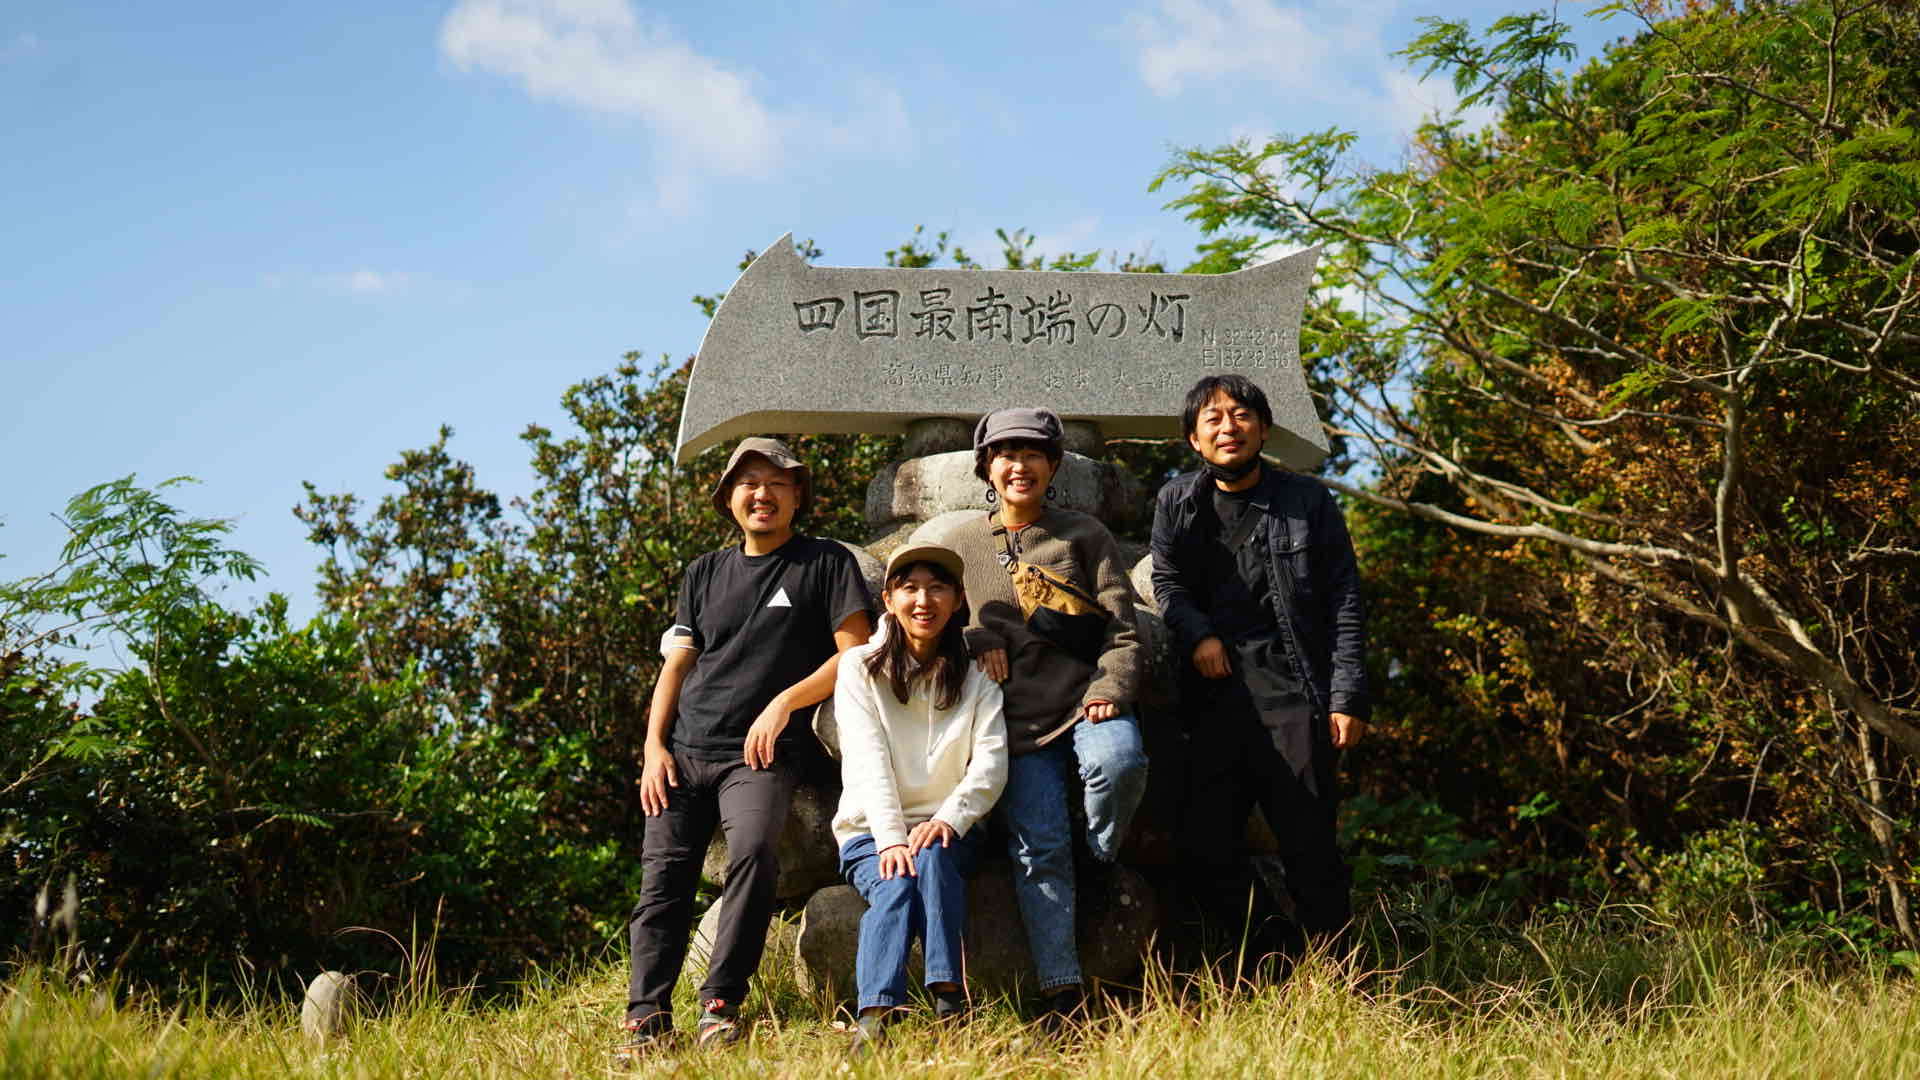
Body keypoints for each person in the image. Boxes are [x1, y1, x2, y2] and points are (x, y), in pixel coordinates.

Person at [618, 437, 873, 1058]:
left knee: (755, 855)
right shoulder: (703, 572)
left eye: (776, 483)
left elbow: (857, 654)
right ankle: (647, 1016)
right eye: (748, 484)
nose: (762, 495)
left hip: (760, 755)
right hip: (684, 750)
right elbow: (676, 667)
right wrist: (653, 746)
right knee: (662, 883)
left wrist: (784, 702)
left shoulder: (825, 563)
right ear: (729, 498)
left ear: (797, 496)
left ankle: (720, 1003)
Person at [1149, 374, 1369, 964]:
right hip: (1213, 700)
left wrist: (1347, 696)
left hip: (1295, 693)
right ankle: (1279, 954)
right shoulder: (1177, 501)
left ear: (1264, 428)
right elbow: (1166, 581)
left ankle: (1339, 980)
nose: (1229, 427)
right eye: (1213, 420)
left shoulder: (1308, 502)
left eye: (1241, 415)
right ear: (1194, 440)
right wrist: (1200, 634)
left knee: (1310, 846)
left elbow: (1344, 598)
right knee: (1202, 845)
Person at [944, 406, 1148, 1025]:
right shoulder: (960, 545)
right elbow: (926, 626)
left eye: (1032, 454)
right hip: (1013, 728)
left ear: (1053, 465)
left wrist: (1111, 685)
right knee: (1039, 852)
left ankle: (1100, 851)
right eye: (1005, 454)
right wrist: (976, 641)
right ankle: (1063, 993)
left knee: (1120, 763)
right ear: (987, 468)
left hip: (1087, 701)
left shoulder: (1083, 535)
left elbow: (1124, 627)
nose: (1019, 465)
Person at [831, 543, 1008, 1056]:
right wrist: (890, 840)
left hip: (951, 828)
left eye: (937, 588)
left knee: (929, 856)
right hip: (870, 829)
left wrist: (949, 819)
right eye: (909, 588)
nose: (922, 600)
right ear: (888, 599)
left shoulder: (977, 677)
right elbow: (868, 761)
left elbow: (991, 763)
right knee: (897, 877)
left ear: (957, 600)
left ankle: (948, 1001)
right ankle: (875, 1015)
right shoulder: (859, 668)